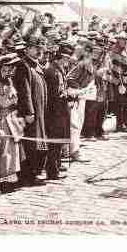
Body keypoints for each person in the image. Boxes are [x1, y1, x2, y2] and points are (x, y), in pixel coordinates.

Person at [13, 35, 48, 187]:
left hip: (39, 110)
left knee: (38, 142)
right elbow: (24, 90)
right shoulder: (23, 65)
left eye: (41, 48)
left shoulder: (36, 65)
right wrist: (29, 112)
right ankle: (29, 175)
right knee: (30, 143)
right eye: (36, 48)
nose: (39, 51)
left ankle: (35, 172)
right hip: (31, 112)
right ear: (27, 49)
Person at [44, 43, 74, 180]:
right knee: (54, 142)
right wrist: (68, 95)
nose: (67, 62)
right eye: (66, 58)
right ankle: (52, 170)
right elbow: (54, 95)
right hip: (55, 112)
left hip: (61, 110)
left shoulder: (59, 69)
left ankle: (57, 165)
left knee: (59, 141)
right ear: (60, 58)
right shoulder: (52, 71)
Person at [0, 54, 22, 192]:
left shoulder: (10, 83)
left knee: (13, 148)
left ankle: (11, 178)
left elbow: (15, 100)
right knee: (4, 149)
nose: (7, 73)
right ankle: (2, 179)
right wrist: (12, 99)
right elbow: (3, 103)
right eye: (4, 70)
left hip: (11, 118)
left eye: (9, 70)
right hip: (2, 118)